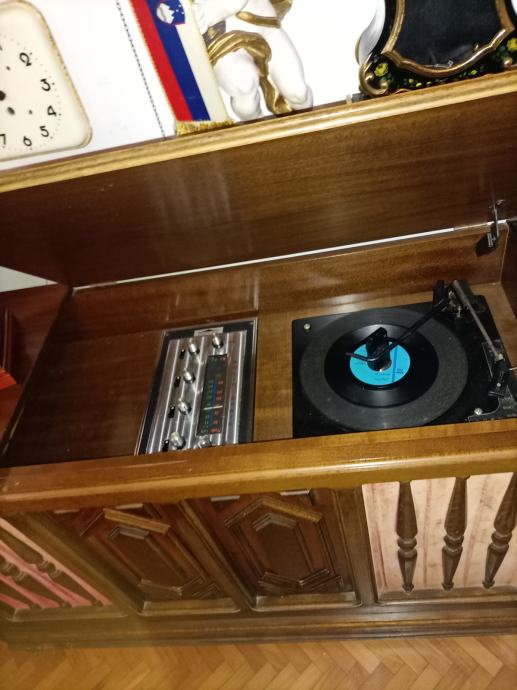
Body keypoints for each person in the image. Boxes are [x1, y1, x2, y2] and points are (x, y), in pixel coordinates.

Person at [192, 0, 313, 119]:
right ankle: (259, 128)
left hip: (266, 29)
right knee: (244, 88)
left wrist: (212, 11)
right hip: (226, 42)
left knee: (298, 93)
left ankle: (311, 126)